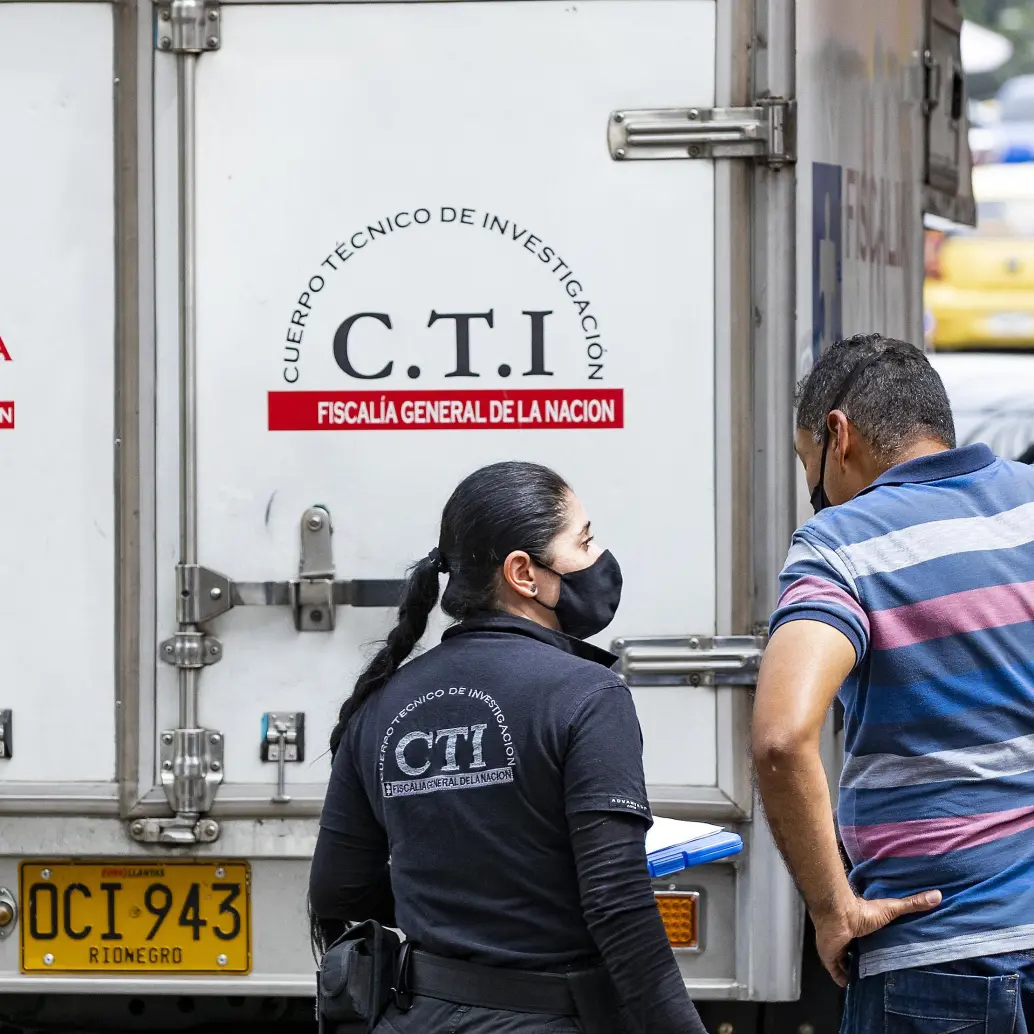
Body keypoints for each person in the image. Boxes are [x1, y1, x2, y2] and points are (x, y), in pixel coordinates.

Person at [309, 461, 707, 1034]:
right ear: (523, 572)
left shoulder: (382, 702)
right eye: (584, 540)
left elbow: (337, 889)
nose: (598, 558)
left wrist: (459, 909)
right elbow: (616, 901)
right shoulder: (587, 696)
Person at [752, 333, 1034, 1032]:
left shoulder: (842, 542)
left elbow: (783, 738)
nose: (813, 488)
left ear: (836, 436)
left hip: (942, 958)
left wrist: (831, 908)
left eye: (805, 461)